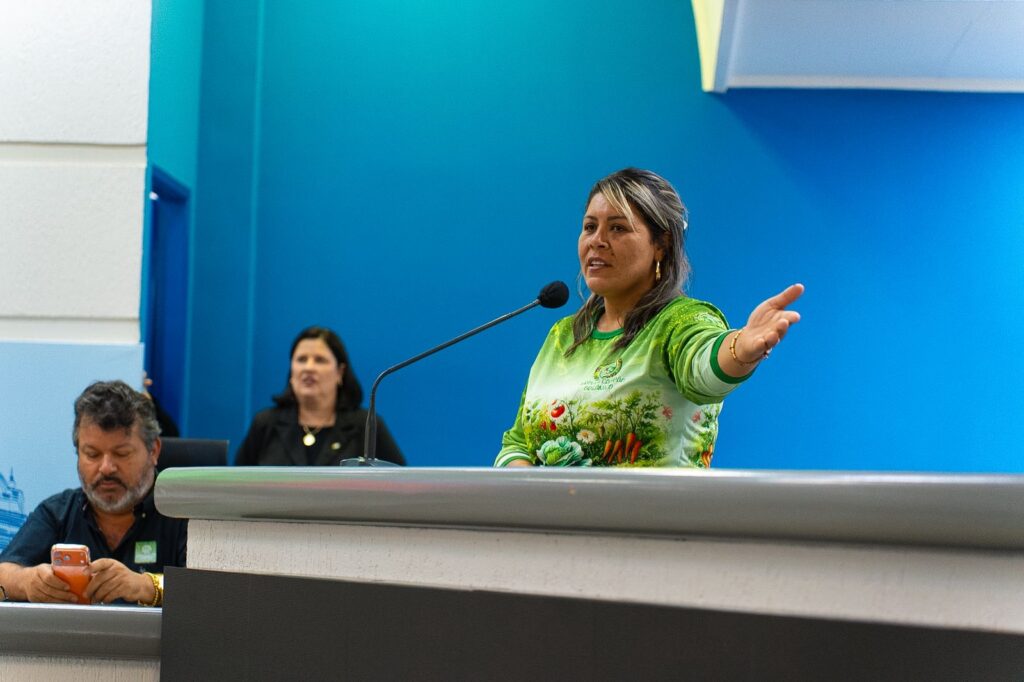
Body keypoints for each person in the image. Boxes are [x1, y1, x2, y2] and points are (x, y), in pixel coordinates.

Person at [495, 168, 803, 468]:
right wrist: (532, 495)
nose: (596, 241)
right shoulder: (564, 334)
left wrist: (741, 349)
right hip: (552, 519)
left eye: (617, 228)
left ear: (661, 245)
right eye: (590, 227)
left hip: (654, 519)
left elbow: (705, 370)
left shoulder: (681, 322)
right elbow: (517, 443)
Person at [0, 380, 186, 604]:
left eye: (121, 453)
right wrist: (27, 582)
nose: (106, 467)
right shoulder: (58, 512)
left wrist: (148, 586)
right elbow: (5, 573)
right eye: (92, 454)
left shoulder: (184, 514)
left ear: (153, 450)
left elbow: (212, 590)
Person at [235, 326, 405, 466]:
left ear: (340, 372)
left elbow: (402, 486)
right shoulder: (266, 423)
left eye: (320, 360)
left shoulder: (365, 426)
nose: (308, 367)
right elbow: (236, 487)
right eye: (301, 359)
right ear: (291, 371)